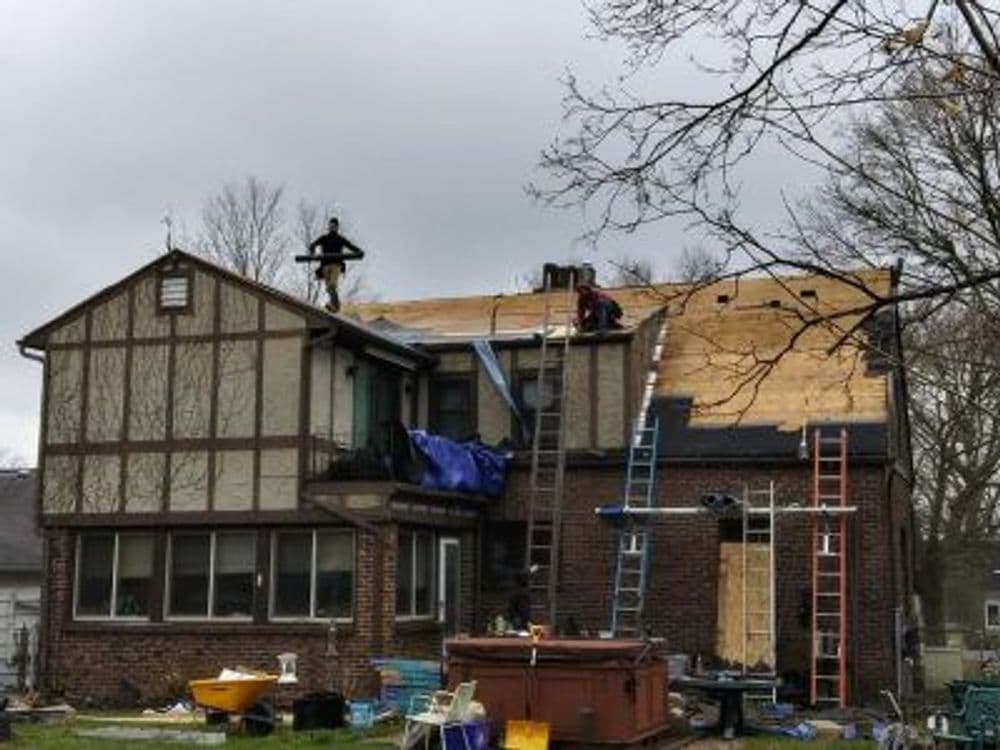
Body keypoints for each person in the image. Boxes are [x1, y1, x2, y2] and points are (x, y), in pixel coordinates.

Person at [308, 217, 365, 312]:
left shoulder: (340, 239)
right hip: (325, 266)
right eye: (330, 226)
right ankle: (333, 305)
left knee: (332, 285)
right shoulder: (324, 238)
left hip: (336, 265)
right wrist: (312, 251)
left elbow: (350, 245)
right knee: (329, 288)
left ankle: (336, 305)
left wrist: (359, 251)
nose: (331, 228)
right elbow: (313, 244)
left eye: (333, 226)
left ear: (337, 227)